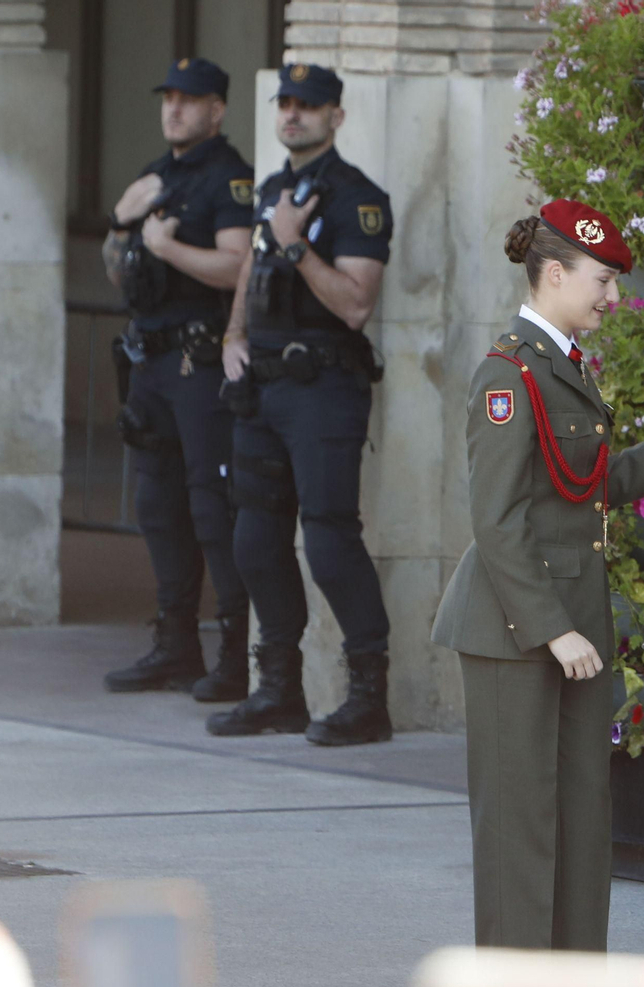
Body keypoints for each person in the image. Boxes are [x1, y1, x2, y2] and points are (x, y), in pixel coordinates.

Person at [430, 200, 644, 951]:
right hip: (519, 630)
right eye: (602, 280)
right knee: (519, 831)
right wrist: (552, 628)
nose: (613, 297)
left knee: (580, 822)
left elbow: (584, 485)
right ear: (555, 274)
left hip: (571, 626)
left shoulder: (561, 365)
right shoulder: (508, 375)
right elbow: (497, 522)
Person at [210, 64, 394, 745]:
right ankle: (277, 690)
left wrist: (295, 243)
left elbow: (355, 304)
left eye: (308, 106)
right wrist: (234, 332)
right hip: (261, 389)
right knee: (254, 541)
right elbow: (252, 271)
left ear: (336, 117)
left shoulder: (358, 199)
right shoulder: (273, 189)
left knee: (328, 540)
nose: (292, 115)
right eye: (285, 103)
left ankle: (368, 698)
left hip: (324, 389)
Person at [101, 58, 254, 703]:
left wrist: (167, 248)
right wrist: (118, 220)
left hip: (198, 359)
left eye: (189, 100)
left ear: (216, 109)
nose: (174, 109)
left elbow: (238, 264)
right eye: (168, 98)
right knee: (157, 508)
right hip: (150, 360)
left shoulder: (227, 175)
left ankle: (236, 655)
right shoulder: (153, 175)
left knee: (210, 507)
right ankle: (174, 645)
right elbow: (119, 272)